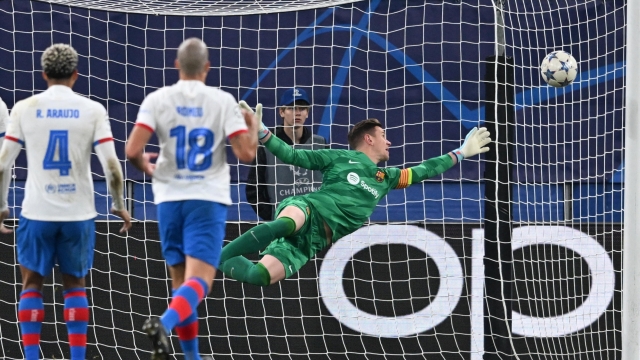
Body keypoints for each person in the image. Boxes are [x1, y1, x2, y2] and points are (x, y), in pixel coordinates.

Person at [220, 104, 491, 287]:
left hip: (312, 241)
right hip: (308, 209)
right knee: (289, 222)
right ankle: (216, 256)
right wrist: (264, 133)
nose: (389, 141)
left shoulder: (387, 179)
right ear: (369, 139)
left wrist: (461, 152)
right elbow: (293, 154)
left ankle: (218, 257)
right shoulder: (339, 157)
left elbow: (424, 170)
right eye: (384, 135)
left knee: (259, 276)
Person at [125, 38, 258, 360]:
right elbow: (247, 154)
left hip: (169, 199)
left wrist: (146, 165)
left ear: (176, 65)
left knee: (181, 285)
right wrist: (251, 127)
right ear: (207, 68)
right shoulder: (223, 101)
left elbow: (131, 151)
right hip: (205, 199)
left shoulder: (157, 99)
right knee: (200, 282)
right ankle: (163, 323)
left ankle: (191, 356)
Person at [0, 43, 132, 360]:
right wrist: (119, 204)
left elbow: (3, 164)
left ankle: (32, 356)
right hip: (78, 213)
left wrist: (2, 207)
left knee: (31, 285)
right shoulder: (93, 110)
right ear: (75, 75)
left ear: (44, 74)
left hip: (37, 213)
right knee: (75, 286)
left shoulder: (23, 108)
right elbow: (112, 166)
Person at [245, 88, 326, 220]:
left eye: (302, 108)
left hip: (315, 222)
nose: (297, 113)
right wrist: (272, 215)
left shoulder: (320, 144)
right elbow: (253, 189)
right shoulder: (265, 145)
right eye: (292, 108)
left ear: (308, 113)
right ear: (281, 112)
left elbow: (331, 181)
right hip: (282, 223)